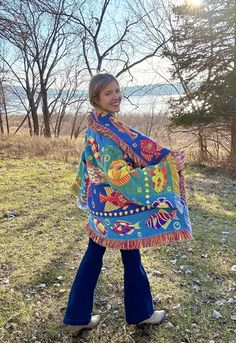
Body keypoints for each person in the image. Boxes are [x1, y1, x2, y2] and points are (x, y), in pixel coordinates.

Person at [63, 73, 192, 336]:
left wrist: (164, 157)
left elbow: (139, 148)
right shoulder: (108, 132)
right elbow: (119, 176)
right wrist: (167, 169)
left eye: (118, 91)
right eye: (108, 93)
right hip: (118, 208)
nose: (116, 96)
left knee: (94, 258)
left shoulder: (96, 123)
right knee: (130, 258)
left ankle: (78, 317)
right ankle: (141, 313)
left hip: (101, 207)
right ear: (96, 98)